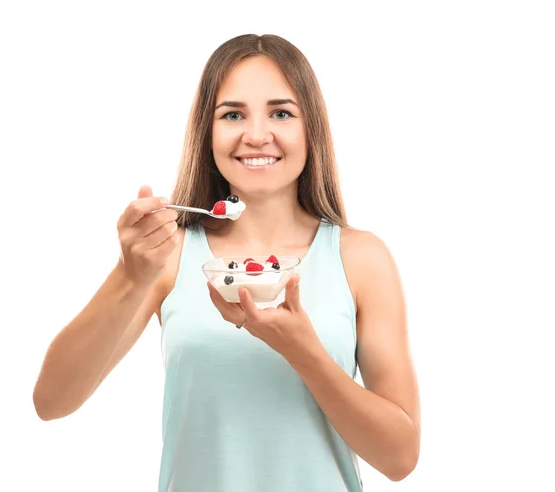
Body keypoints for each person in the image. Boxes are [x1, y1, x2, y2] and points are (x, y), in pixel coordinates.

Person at [33, 34, 421, 492]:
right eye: (233, 114)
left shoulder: (360, 259)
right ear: (207, 132)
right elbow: (52, 401)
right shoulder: (168, 254)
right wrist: (130, 275)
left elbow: (399, 458)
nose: (256, 135)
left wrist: (302, 352)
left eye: (281, 112)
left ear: (310, 128)